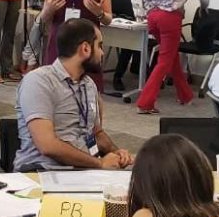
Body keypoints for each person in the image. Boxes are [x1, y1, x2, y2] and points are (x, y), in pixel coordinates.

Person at [14, 18, 132, 171]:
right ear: (85, 49)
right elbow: (47, 146)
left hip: (84, 169)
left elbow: (96, 133)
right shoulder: (39, 81)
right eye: (100, 46)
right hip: (43, 171)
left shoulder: (89, 85)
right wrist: (99, 163)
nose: (102, 53)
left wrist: (115, 152)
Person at [136, 0, 209, 114]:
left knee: (171, 56)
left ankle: (185, 95)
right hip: (170, 19)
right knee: (164, 62)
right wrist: (204, 8)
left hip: (154, 17)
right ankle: (145, 103)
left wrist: (150, 11)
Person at [113, 0, 160, 92]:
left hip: (151, 31)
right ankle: (140, 71)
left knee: (131, 41)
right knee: (132, 38)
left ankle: (118, 77)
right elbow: (120, 3)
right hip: (132, 27)